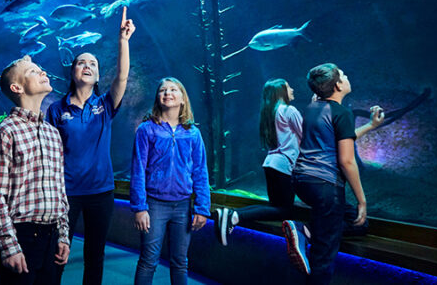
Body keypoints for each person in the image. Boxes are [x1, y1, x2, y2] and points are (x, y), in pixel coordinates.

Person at [46, 6, 135, 285]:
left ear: (98, 76)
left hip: (101, 191)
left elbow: (121, 77)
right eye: (81, 63)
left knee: (95, 256)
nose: (87, 66)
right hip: (66, 192)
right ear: (73, 72)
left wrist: (123, 41)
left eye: (93, 64)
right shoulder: (57, 110)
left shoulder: (105, 105)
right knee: (57, 254)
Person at [285, 63, 384, 283]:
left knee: (359, 224)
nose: (347, 76)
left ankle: (309, 230)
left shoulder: (312, 108)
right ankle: (303, 230)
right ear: (338, 85)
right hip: (325, 186)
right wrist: (362, 201)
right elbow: (347, 160)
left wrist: (370, 125)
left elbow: (339, 139)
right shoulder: (341, 112)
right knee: (323, 258)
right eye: (343, 75)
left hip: (302, 182)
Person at [0, 56, 70, 285]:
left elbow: (59, 190)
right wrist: (9, 246)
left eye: (41, 69)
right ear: (17, 87)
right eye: (33, 71)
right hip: (21, 236)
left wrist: (63, 235)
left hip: (52, 236)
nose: (43, 73)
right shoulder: (5, 132)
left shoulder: (53, 133)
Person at [130, 78, 210, 285]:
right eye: (163, 90)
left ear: (183, 98)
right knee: (148, 261)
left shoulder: (193, 133)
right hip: (154, 205)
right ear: (158, 98)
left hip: (183, 206)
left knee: (180, 262)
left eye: (173, 89)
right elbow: (137, 169)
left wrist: (202, 208)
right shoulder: (147, 130)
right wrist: (140, 207)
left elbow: (201, 171)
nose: (167, 93)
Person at [214, 79, 302, 245]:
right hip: (283, 164)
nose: (292, 89)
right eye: (288, 86)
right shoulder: (289, 110)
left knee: (275, 206)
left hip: (271, 163)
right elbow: (305, 136)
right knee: (284, 210)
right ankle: (235, 216)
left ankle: (231, 213)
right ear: (281, 91)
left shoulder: (270, 111)